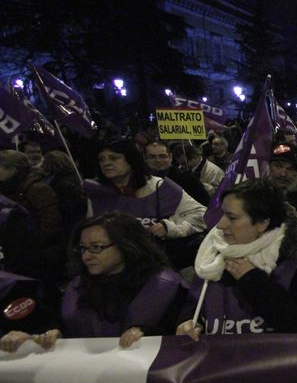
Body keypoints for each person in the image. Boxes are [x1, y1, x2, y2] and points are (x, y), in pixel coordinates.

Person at [0, 212, 188, 352]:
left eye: (96, 248)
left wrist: (148, 333)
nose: (86, 256)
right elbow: (62, 327)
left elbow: (180, 340)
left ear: (127, 245)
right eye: (82, 248)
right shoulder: (77, 285)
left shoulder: (166, 286)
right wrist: (44, 336)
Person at [176, 179, 297, 338]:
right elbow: (195, 301)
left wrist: (252, 279)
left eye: (232, 217)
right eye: (223, 214)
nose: (220, 225)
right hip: (219, 359)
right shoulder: (212, 251)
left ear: (262, 224)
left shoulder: (296, 261)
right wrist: (188, 320)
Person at [84, 139, 206, 269]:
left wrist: (170, 228)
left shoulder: (160, 187)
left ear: (131, 160)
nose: (106, 163)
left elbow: (202, 215)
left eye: (114, 158)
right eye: (101, 159)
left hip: (153, 267)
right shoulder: (97, 193)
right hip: (111, 271)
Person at [144, 140, 211, 206]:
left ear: (170, 157)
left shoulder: (188, 179)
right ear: (145, 158)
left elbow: (204, 207)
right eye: (152, 157)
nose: (157, 160)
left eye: (162, 156)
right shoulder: (140, 181)